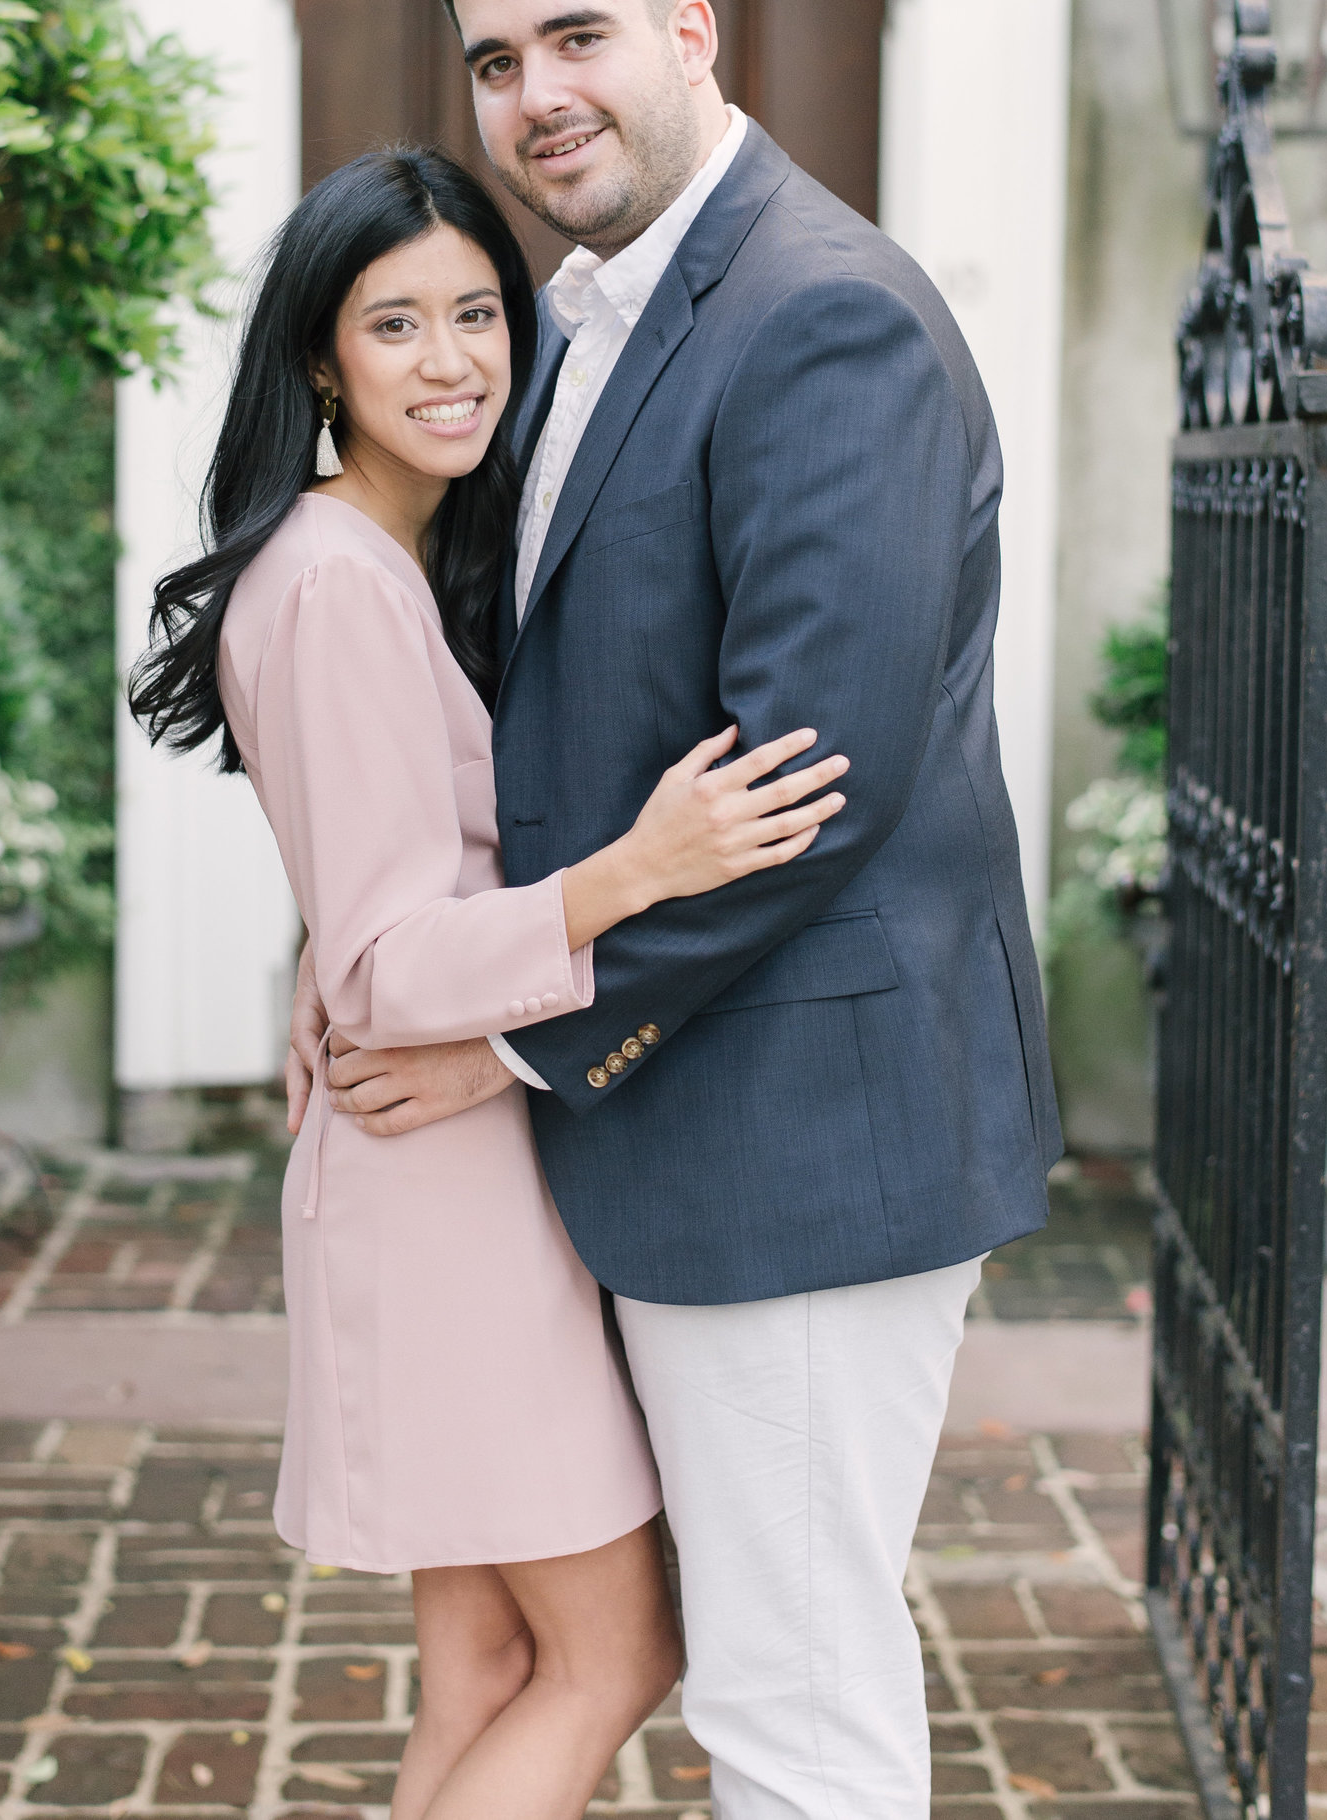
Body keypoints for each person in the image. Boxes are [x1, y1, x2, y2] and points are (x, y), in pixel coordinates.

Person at [309, 0, 1064, 1820]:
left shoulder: (825, 321)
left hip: (800, 1126)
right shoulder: (568, 314)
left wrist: (511, 1026)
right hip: (666, 1121)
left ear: (685, 30)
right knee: (679, 1651)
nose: (534, 91)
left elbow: (809, 790)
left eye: (574, 34)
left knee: (791, 1695)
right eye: (491, 59)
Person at [127, 144, 849, 1820]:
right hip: (442, 1207)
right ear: (322, 357)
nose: (450, 360)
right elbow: (389, 964)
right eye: (397, 325)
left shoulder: (384, 564)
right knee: (616, 1654)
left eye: (477, 313)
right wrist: (636, 871)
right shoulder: (332, 586)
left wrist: (350, 942)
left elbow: (367, 912)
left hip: (455, 1175)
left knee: (492, 1671)